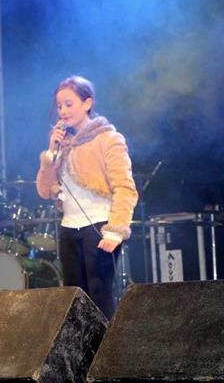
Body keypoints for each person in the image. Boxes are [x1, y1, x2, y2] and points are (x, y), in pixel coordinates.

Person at [36, 75, 138, 318]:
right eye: (59, 106)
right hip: (69, 228)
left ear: (87, 103)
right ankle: (83, 344)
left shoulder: (108, 139)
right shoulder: (62, 145)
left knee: (99, 295)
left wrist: (115, 230)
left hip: (100, 227)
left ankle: (107, 343)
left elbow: (125, 188)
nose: (63, 111)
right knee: (75, 299)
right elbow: (44, 191)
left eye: (68, 104)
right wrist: (50, 155)